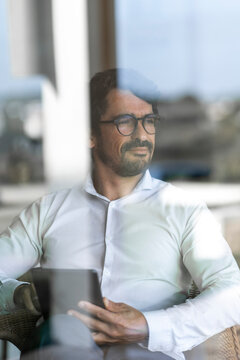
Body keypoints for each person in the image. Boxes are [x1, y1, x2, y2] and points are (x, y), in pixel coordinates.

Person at [0, 68, 240, 360]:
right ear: (90, 135)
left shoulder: (183, 210)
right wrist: (19, 295)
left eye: (149, 121)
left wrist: (148, 325)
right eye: (126, 121)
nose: (142, 134)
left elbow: (231, 295)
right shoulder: (48, 211)